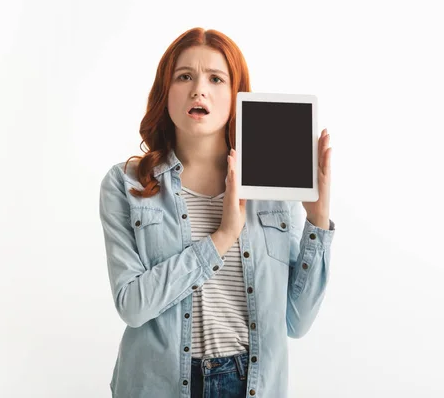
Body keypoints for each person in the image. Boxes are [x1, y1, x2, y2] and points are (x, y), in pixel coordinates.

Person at [99, 27, 335, 398]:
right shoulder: (126, 184)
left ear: (236, 95)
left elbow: (296, 321)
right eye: (184, 77)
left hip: (251, 384)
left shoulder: (273, 186)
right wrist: (222, 237)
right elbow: (132, 305)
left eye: (215, 78)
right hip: (158, 384)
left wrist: (318, 221)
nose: (199, 89)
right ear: (166, 92)